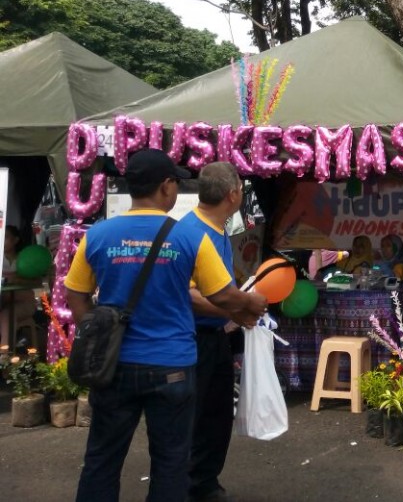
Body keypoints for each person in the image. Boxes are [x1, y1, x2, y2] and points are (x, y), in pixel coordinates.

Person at [65, 149, 267, 502]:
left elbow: (75, 294)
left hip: (114, 365)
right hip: (172, 364)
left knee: (102, 458)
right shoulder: (189, 237)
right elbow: (223, 295)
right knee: (171, 462)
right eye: (175, 182)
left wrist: (97, 336)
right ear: (166, 186)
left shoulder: (98, 235)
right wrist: (252, 303)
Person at [184, 163, 259, 502]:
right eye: (241, 188)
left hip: (216, 338)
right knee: (193, 418)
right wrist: (237, 310)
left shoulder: (219, 229)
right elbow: (190, 296)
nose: (241, 193)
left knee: (216, 416)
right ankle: (183, 485)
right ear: (232, 195)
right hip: (191, 340)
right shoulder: (191, 232)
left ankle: (205, 482)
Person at [1, 226, 41, 347]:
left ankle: (5, 352)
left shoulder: (24, 259)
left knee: (7, 315)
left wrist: (17, 278)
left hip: (25, 303)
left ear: (15, 240)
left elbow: (37, 281)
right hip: (3, 301)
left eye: (6, 237)